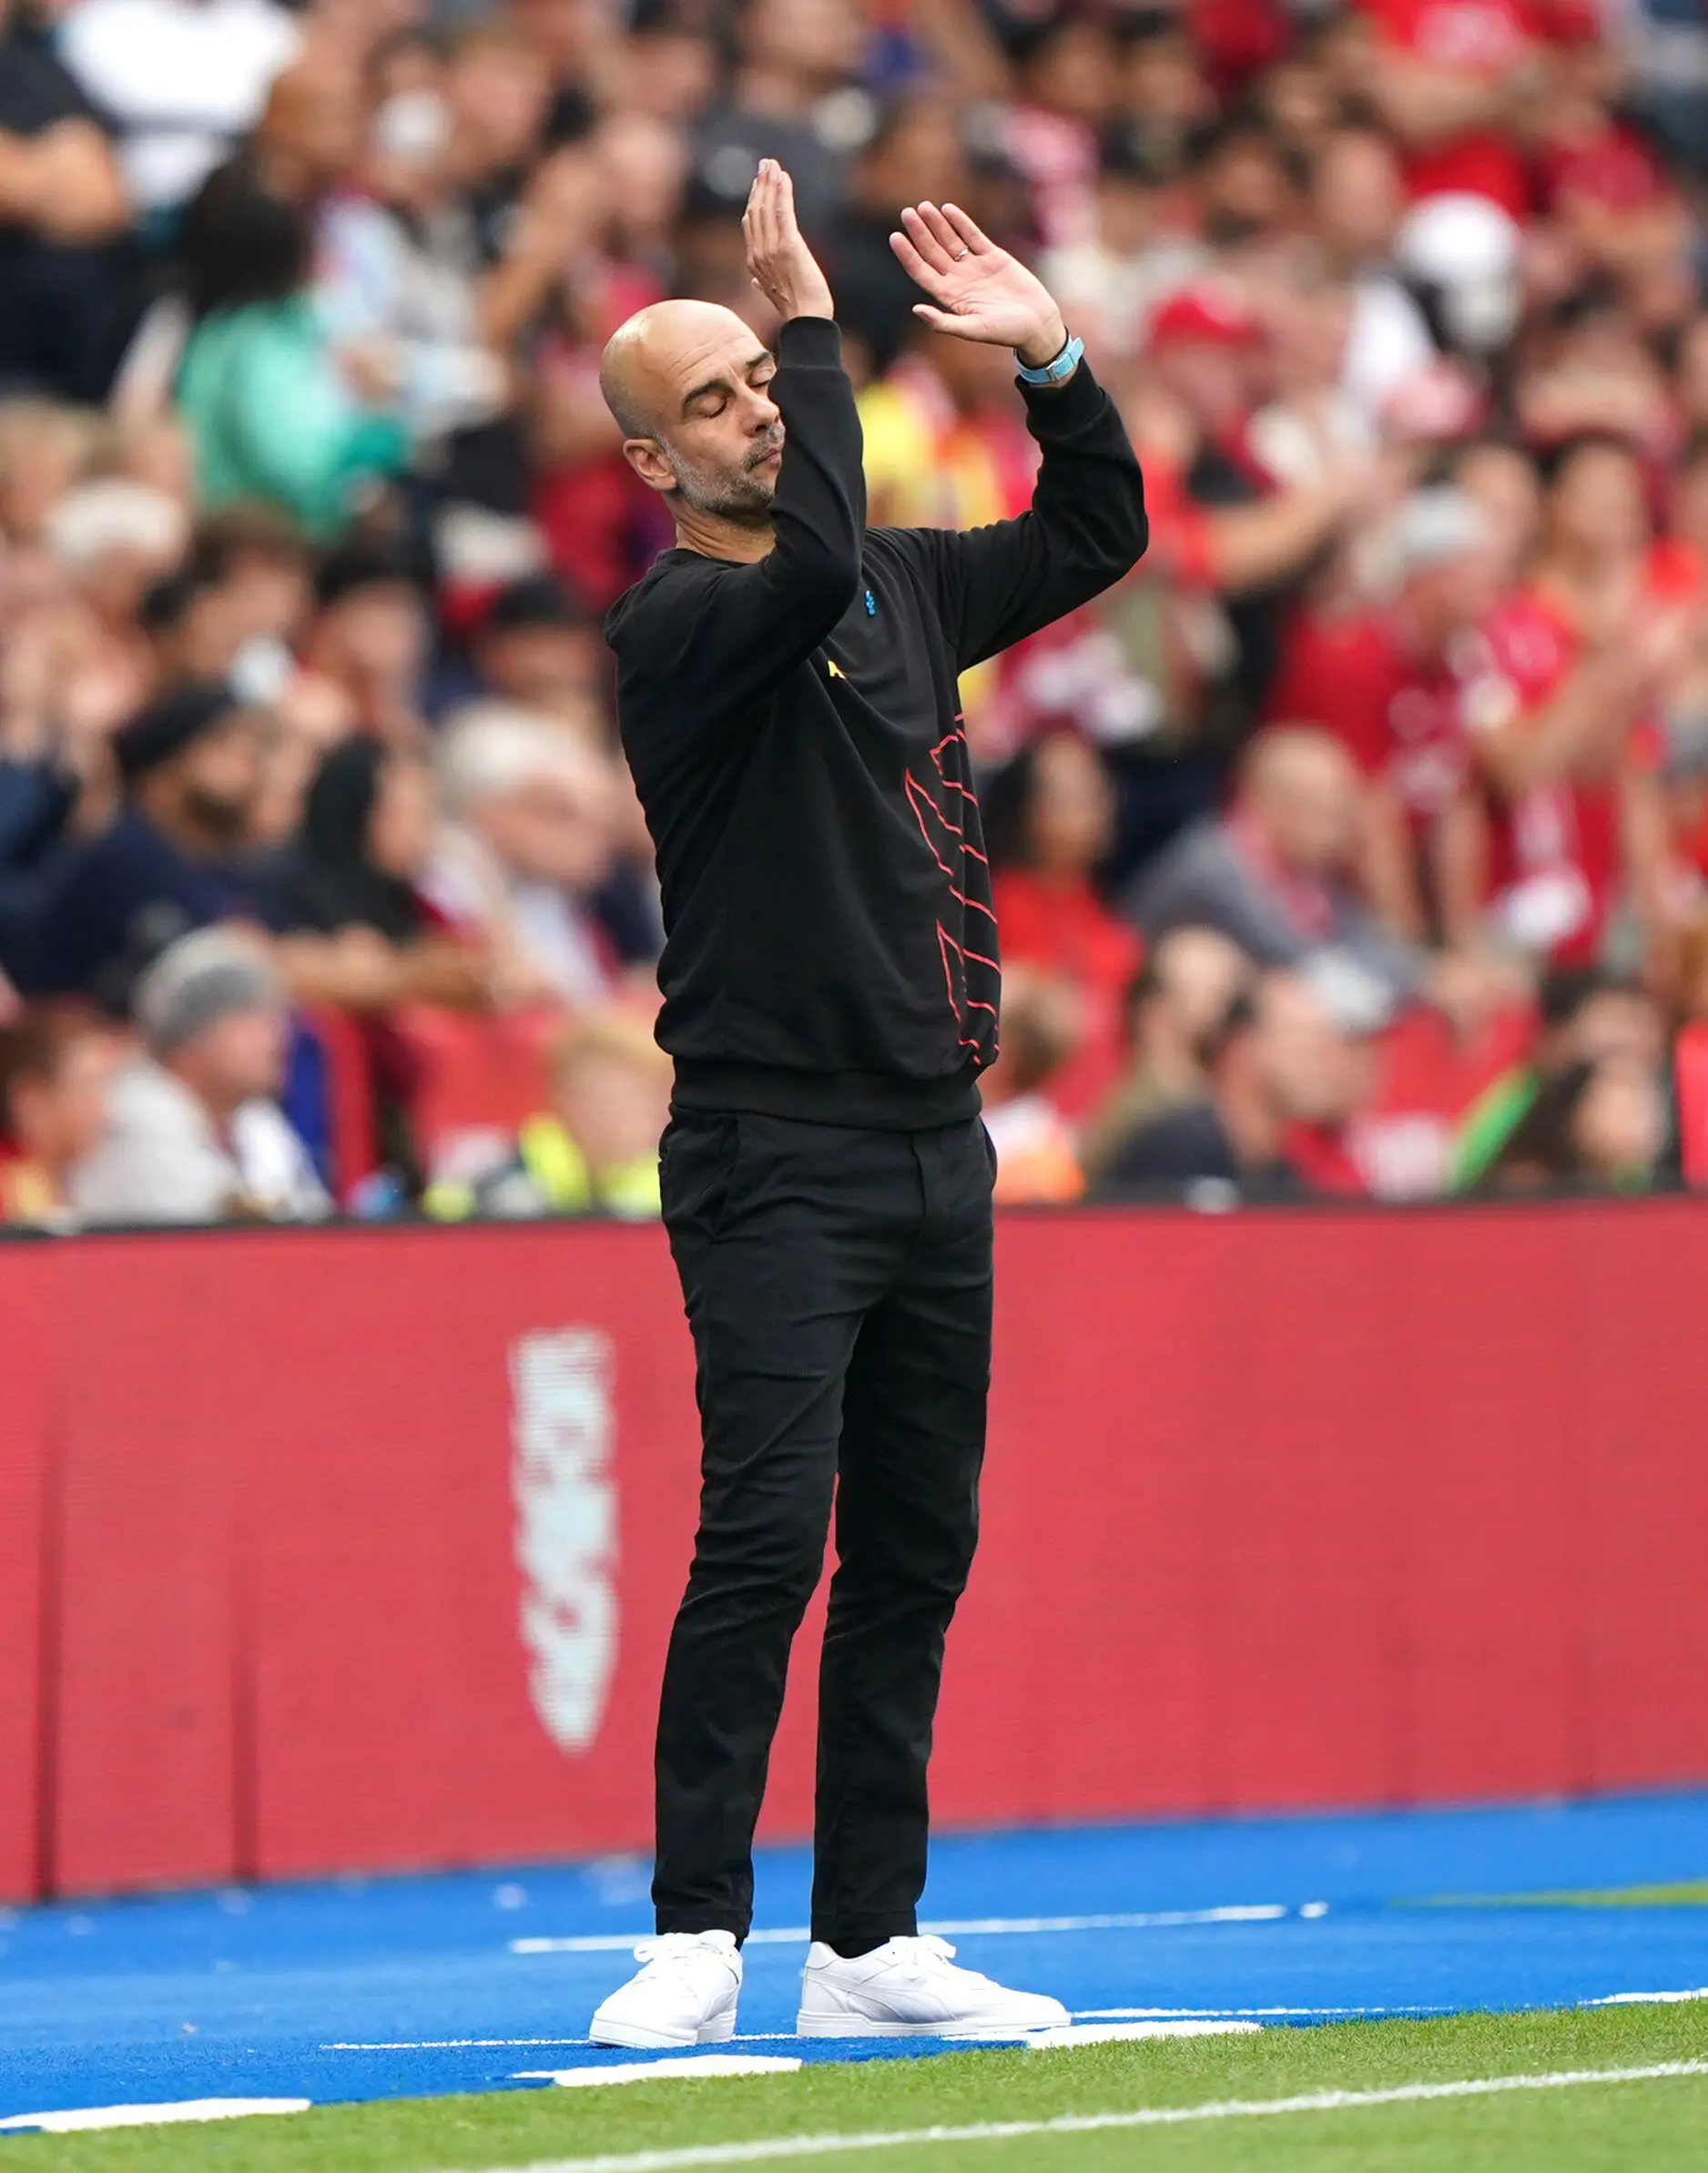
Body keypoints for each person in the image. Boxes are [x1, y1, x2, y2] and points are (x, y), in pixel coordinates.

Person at [587, 160, 1144, 2047]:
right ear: (658, 464)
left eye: (764, 375)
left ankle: (868, 1931)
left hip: (931, 1137)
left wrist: (1051, 354)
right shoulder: (673, 631)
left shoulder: (901, 577)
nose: (758, 405)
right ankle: (691, 1926)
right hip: (769, 1144)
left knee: (916, 1537)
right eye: (719, 396)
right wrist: (818, 320)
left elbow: (1097, 532)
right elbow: (810, 553)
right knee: (760, 1532)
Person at [21, 679, 268, 1008]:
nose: (247, 760)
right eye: (222, 743)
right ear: (166, 764)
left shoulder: (223, 864)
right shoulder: (126, 852)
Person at [70, 925, 327, 1224]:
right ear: (190, 1037)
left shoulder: (259, 1125)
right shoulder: (132, 1124)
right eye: (249, 1020)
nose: (275, 1038)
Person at [1092, 968, 1350, 1201]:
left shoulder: (1285, 1177)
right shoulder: (1176, 1148)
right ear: (1243, 1046)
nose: (1327, 1066)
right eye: (1306, 1047)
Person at [0, 999, 117, 1227]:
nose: (105, 1110)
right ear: (31, 1102)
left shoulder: (53, 1188)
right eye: (87, 1088)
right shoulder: (13, 1200)